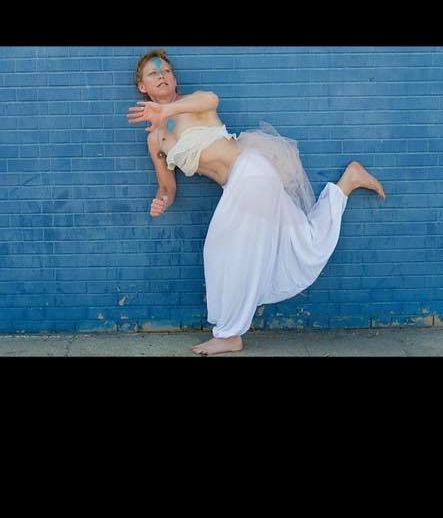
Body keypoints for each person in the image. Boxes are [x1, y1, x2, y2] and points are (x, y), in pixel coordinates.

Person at [127, 49, 386, 356]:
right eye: (153, 73)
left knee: (222, 251)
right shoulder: (155, 139)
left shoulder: (192, 104)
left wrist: (166, 111)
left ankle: (229, 335)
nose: (162, 76)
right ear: (142, 86)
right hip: (240, 186)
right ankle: (347, 183)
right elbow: (167, 187)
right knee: (302, 239)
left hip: (250, 170)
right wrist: (161, 201)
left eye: (166, 71)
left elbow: (211, 99)